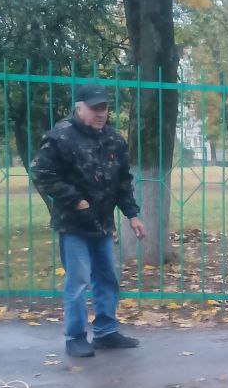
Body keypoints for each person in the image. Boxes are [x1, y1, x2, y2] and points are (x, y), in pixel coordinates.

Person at [31, 83, 145, 358]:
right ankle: (75, 337)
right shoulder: (61, 136)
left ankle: (106, 332)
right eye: (94, 108)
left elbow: (122, 181)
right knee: (79, 280)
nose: (100, 113)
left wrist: (132, 214)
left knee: (107, 277)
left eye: (104, 107)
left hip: (102, 223)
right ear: (79, 107)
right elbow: (42, 173)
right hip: (73, 224)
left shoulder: (113, 140)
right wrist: (74, 198)